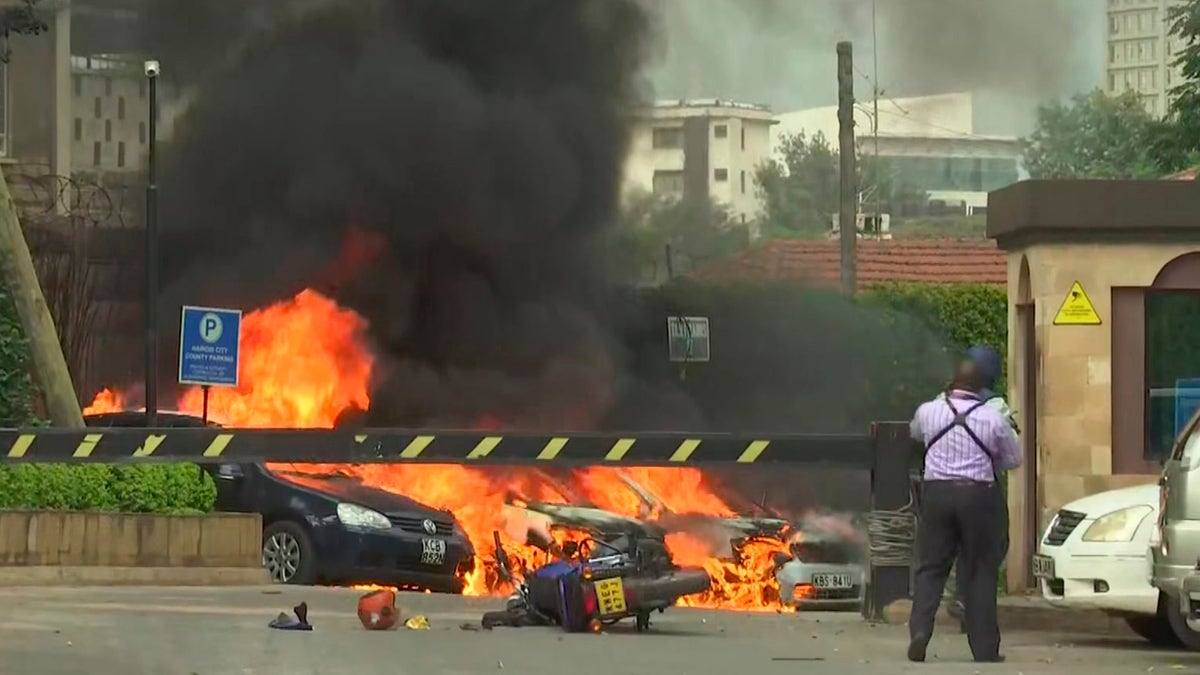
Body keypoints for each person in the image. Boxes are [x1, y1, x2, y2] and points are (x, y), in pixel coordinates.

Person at [908, 357, 1022, 663]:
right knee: (979, 571)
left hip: (937, 495)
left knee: (930, 568)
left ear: (952, 382)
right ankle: (984, 648)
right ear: (981, 387)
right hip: (978, 497)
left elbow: (916, 434)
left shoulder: (928, 411)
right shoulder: (992, 418)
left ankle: (920, 632)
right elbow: (1013, 460)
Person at [938, 346, 1019, 631]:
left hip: (940, 487)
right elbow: (1012, 455)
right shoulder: (996, 407)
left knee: (957, 547)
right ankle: (969, 605)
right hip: (983, 488)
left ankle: (958, 602)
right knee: (991, 547)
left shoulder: (940, 403)